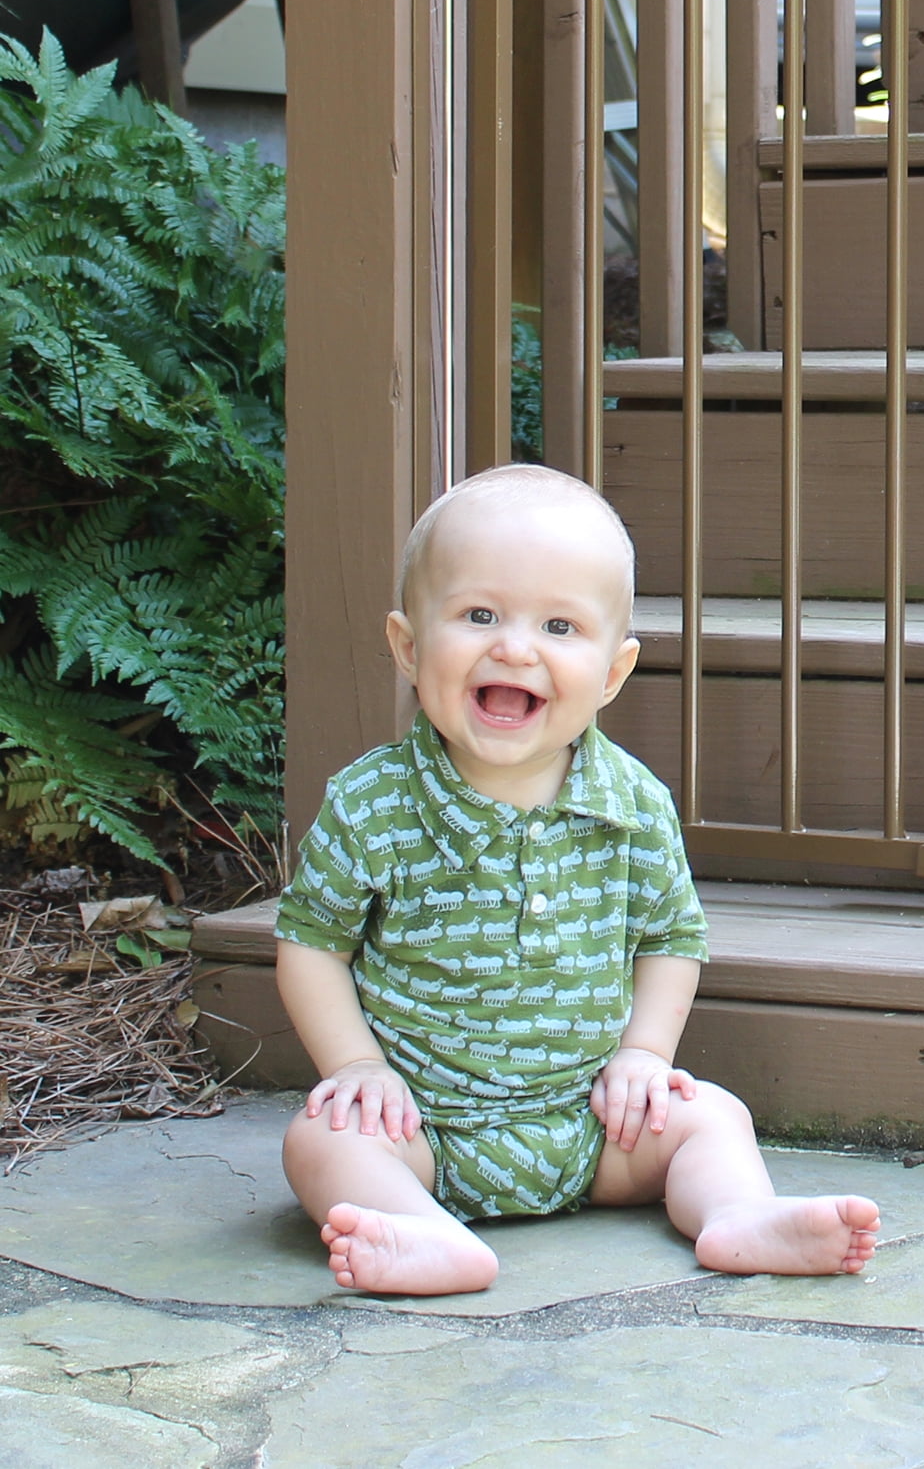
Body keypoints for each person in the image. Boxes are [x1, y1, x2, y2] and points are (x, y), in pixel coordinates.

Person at [272, 462, 880, 1296]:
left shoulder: (630, 804)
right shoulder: (373, 804)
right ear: (409, 648)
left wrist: (643, 1053)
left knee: (713, 1116)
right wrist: (356, 1067)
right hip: (420, 1126)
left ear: (612, 674)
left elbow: (671, 936)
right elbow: (311, 944)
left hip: (592, 1123)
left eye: (560, 626)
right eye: (479, 614)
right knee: (317, 1140)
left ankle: (737, 1215)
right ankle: (421, 1231)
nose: (515, 646)